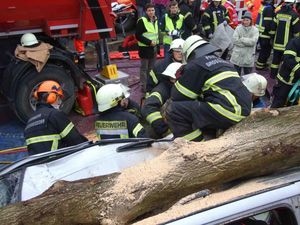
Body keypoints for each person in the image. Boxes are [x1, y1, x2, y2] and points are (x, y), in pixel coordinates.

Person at [166, 35, 252, 141]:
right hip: (243, 109)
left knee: (174, 110)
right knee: (203, 102)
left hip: (229, 110)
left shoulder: (196, 65)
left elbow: (178, 96)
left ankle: (196, 147)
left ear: (189, 53)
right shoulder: (224, 63)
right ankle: (210, 135)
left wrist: (182, 77)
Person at [24, 80, 87, 155]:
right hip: (57, 162)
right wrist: (90, 145)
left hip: (39, 165)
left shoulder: (29, 122)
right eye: (59, 97)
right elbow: (76, 140)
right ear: (52, 97)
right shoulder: (54, 115)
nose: (60, 102)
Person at [142, 62, 182, 138]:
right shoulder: (162, 90)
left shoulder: (185, 87)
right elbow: (148, 107)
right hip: (165, 131)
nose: (173, 81)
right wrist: (164, 130)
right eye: (172, 79)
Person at [270, 0, 300, 79]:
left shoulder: (278, 13)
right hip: (288, 45)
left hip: (277, 43)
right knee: (285, 62)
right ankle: (282, 77)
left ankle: (272, 76)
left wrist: (272, 38)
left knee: (275, 62)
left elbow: (273, 28)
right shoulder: (294, 15)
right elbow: (297, 32)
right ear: (292, 4)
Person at [136, 3, 159, 95]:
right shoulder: (142, 20)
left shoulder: (155, 19)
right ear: (146, 11)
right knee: (144, 68)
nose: (151, 12)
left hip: (153, 48)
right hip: (145, 49)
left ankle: (150, 84)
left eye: (152, 10)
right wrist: (149, 42)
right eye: (149, 10)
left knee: (152, 68)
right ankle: (144, 86)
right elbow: (138, 35)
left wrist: (157, 45)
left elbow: (155, 34)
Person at [271, 37, 300, 108]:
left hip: (297, 84)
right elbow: (288, 58)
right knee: (277, 106)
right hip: (285, 81)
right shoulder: (295, 42)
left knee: (293, 108)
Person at [230, 11, 259, 75]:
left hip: (248, 57)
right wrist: (247, 43)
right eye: (244, 20)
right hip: (237, 57)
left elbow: (253, 42)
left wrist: (242, 39)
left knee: (248, 77)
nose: (245, 22)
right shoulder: (238, 28)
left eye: (247, 20)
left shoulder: (255, 30)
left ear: (251, 21)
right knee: (236, 76)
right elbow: (234, 40)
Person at [255, 0, 275, 70]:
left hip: (261, 31)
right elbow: (268, 22)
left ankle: (261, 64)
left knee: (263, 50)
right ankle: (260, 66)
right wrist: (272, 33)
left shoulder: (264, 6)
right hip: (265, 32)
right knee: (265, 51)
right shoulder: (269, 8)